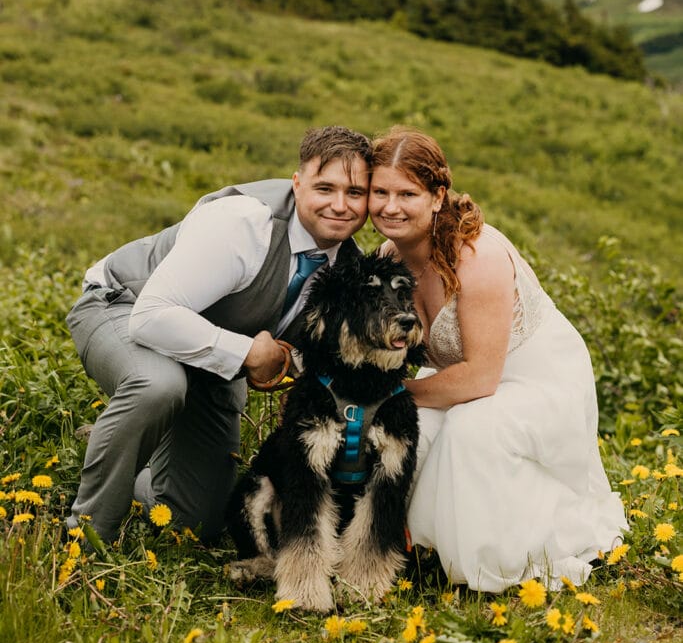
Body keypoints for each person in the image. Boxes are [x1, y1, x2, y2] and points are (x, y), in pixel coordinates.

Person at [65, 125, 371, 545]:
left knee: (198, 522)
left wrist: (289, 361)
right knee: (158, 385)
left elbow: (316, 354)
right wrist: (249, 353)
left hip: (210, 361)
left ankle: (127, 454)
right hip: (123, 306)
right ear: (297, 184)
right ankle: (87, 535)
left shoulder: (350, 268)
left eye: (355, 193)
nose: (340, 205)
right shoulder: (244, 222)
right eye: (325, 188)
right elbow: (151, 316)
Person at [369, 127, 626, 592]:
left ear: (437, 196)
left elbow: (481, 379)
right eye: (380, 192)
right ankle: (409, 547)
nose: (390, 206)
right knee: (406, 430)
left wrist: (391, 394)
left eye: (406, 193)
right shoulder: (387, 258)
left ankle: (500, 560)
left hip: (537, 379)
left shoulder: (476, 255)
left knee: (471, 431)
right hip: (462, 379)